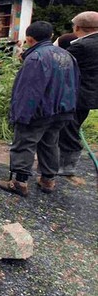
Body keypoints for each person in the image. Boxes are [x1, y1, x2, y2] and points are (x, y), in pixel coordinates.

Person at [0, 21, 79, 196]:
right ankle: (48, 180)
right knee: (50, 143)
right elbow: (75, 84)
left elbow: (28, 91)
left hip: (39, 111)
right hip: (62, 110)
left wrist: (20, 116)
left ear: (30, 39)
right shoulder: (67, 56)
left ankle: (19, 182)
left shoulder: (36, 58)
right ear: (51, 36)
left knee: (25, 143)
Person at [57, 11, 98, 176]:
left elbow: (61, 65)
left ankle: (67, 166)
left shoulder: (81, 46)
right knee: (74, 125)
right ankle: (66, 163)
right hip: (91, 94)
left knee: (68, 128)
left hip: (77, 94)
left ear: (78, 27)